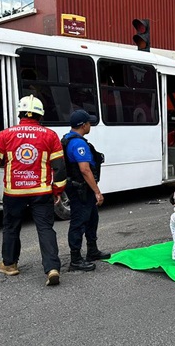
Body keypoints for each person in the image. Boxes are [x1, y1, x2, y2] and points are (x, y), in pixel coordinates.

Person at [0, 95, 67, 286]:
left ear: (19, 113)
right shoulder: (50, 135)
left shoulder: (5, 135)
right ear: (40, 115)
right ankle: (52, 268)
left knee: (11, 227)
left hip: (14, 193)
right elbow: (59, 167)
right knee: (45, 229)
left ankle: (10, 264)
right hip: (41, 191)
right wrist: (57, 191)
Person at [62, 110, 111, 272]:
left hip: (80, 187)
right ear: (84, 125)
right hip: (80, 188)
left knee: (92, 218)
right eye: (89, 123)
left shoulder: (68, 139)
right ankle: (76, 259)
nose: (90, 125)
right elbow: (85, 170)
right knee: (79, 221)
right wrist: (97, 191)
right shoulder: (78, 143)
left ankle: (92, 251)